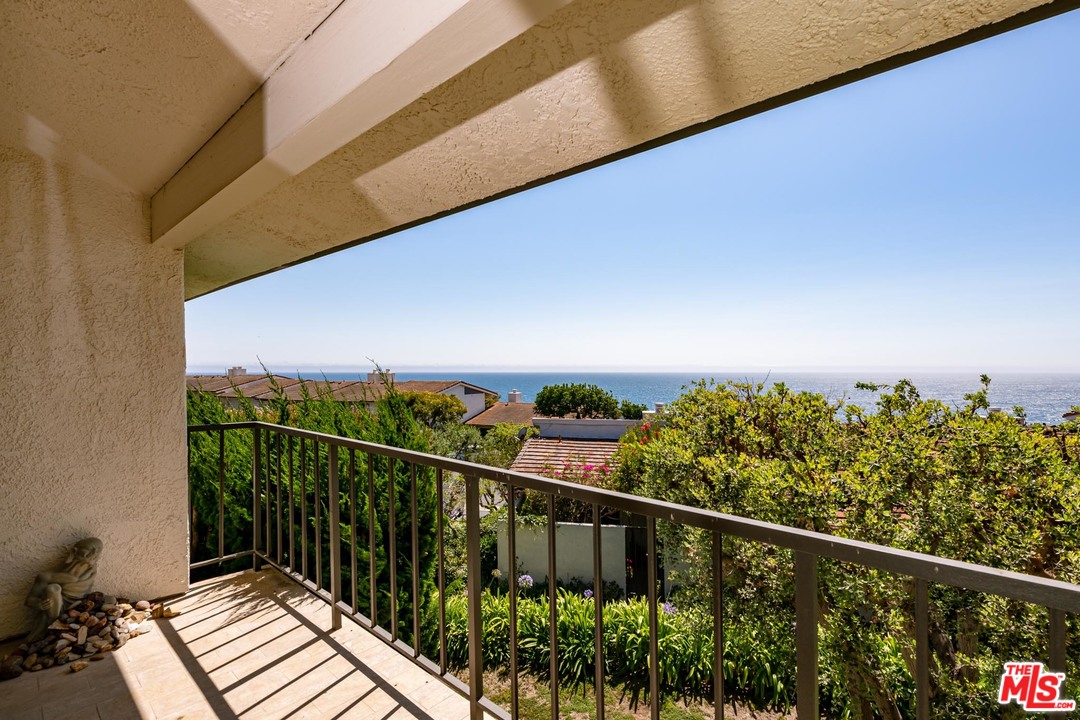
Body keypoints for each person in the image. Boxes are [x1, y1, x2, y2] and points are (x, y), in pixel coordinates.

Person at [24, 537, 103, 642]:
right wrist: (38, 604)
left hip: (79, 609)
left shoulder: (91, 572)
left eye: (98, 550)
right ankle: (51, 632)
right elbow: (29, 600)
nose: (94, 553)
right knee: (52, 589)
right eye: (90, 549)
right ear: (74, 551)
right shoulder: (47, 577)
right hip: (56, 608)